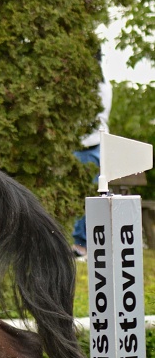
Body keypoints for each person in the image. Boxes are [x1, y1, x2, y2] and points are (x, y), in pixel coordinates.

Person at [71, 76, 112, 258]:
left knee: (92, 196)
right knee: (82, 197)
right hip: (84, 146)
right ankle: (82, 245)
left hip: (93, 145)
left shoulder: (100, 86)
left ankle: (88, 245)